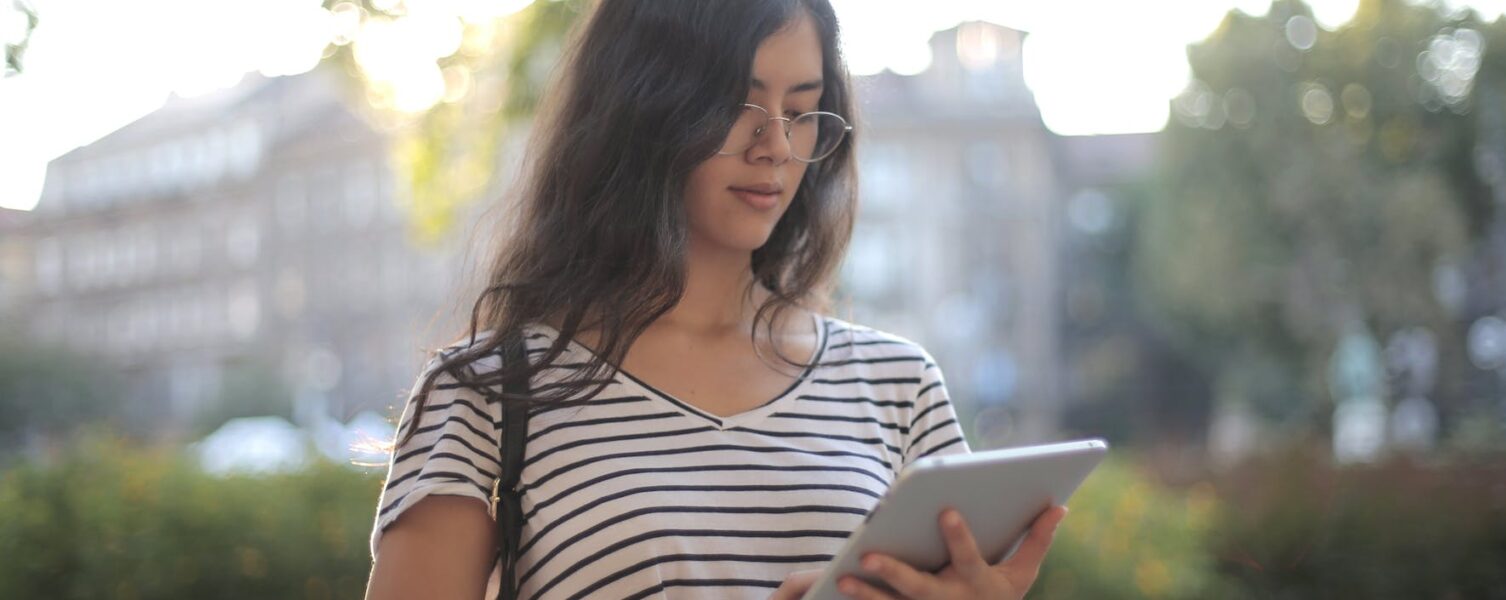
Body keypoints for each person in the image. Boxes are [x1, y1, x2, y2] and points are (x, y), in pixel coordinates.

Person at [363, 1, 1068, 599]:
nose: (775, 146)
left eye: (801, 110)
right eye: (740, 106)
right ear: (640, 108)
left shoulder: (897, 384)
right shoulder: (488, 390)